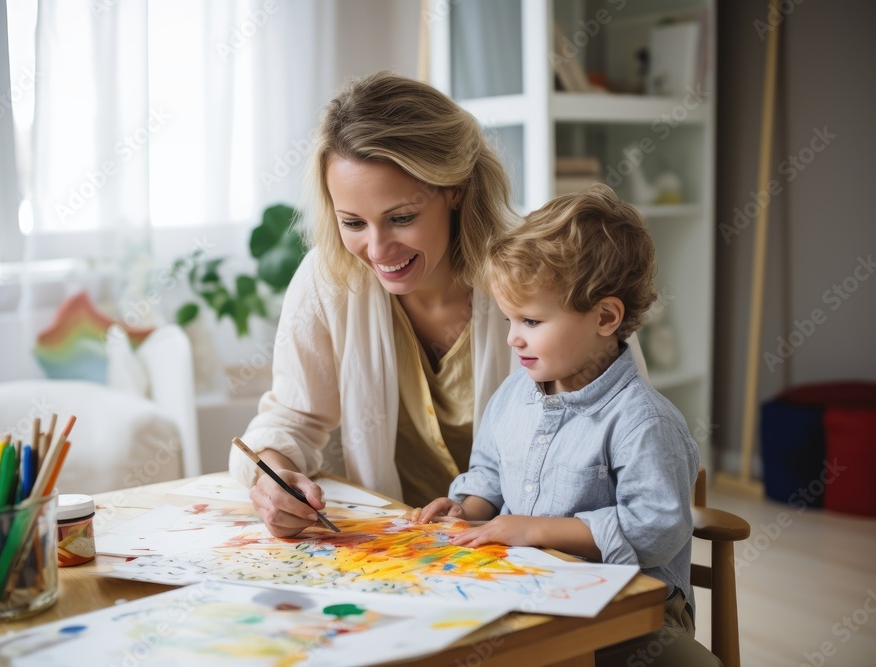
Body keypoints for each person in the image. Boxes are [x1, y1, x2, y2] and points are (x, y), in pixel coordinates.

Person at [229, 72, 647, 539]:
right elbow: (293, 418)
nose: (377, 249)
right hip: (399, 551)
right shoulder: (329, 279)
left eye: (401, 218)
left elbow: (624, 427)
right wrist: (274, 476)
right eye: (353, 222)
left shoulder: (547, 270)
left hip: (542, 550)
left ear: (456, 189)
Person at [413, 184, 719, 667]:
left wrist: (534, 530)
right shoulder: (514, 394)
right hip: (534, 593)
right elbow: (489, 473)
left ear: (605, 317)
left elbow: (657, 529)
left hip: (632, 613)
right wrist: (465, 512)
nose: (513, 338)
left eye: (531, 321)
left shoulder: (644, 421)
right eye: (511, 318)